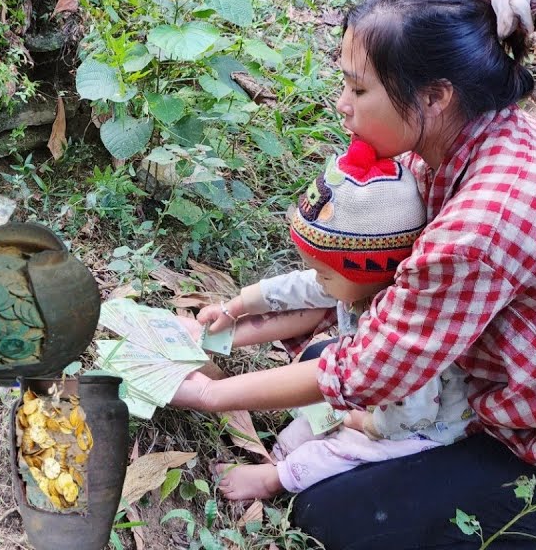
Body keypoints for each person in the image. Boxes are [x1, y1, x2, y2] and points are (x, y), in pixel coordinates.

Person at [169, 0, 536, 550]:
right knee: (325, 363)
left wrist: (210, 396)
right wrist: (227, 329)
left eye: (359, 89)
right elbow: (352, 286)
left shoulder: (481, 225)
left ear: (434, 96)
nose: (342, 105)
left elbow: (369, 370)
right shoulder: (467, 144)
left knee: (329, 518)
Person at [200, 138, 474, 498]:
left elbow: (415, 410)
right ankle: (281, 455)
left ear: (367, 270)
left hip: (419, 425)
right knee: (311, 421)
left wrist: (367, 423)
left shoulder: (410, 328)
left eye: (324, 273)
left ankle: (275, 480)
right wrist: (236, 306)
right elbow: (301, 287)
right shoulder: (355, 283)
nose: (317, 279)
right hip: (369, 393)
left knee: (343, 450)